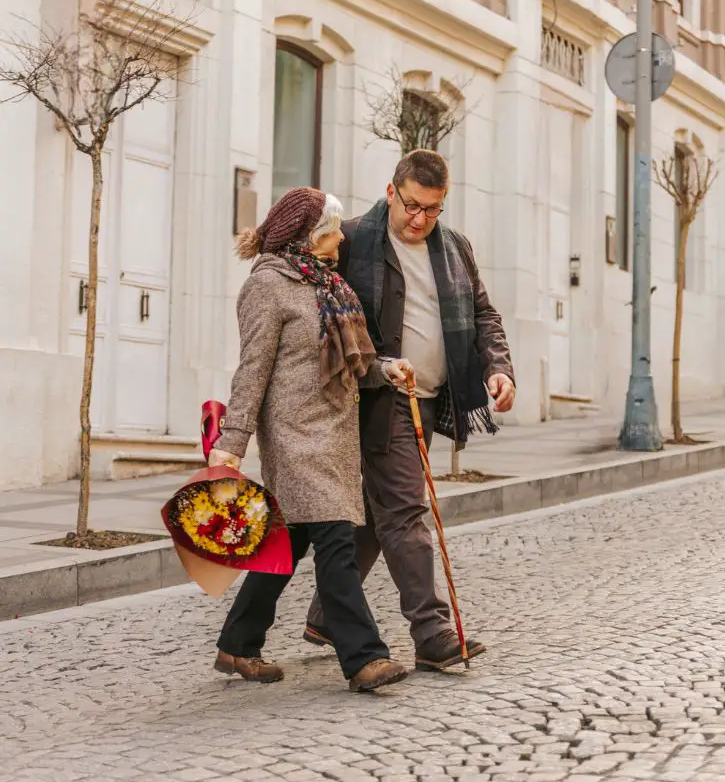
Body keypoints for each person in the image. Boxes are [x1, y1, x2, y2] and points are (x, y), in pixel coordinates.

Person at [304, 150, 515, 672]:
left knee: (379, 514)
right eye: (412, 206)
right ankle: (432, 631)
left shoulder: (454, 247)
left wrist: (498, 367)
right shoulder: (352, 240)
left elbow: (483, 313)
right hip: (376, 398)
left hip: (428, 399)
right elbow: (324, 319)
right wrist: (378, 365)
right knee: (405, 510)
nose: (419, 219)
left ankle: (328, 613)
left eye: (433, 209)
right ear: (391, 190)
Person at [208, 186, 414, 693]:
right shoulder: (267, 287)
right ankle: (364, 657)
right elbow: (252, 371)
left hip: (335, 434)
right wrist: (231, 443)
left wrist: (385, 370)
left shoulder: (326, 283)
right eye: (329, 232)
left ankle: (238, 644)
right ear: (304, 236)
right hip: (295, 436)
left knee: (285, 543)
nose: (339, 240)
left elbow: (351, 361)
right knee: (337, 543)